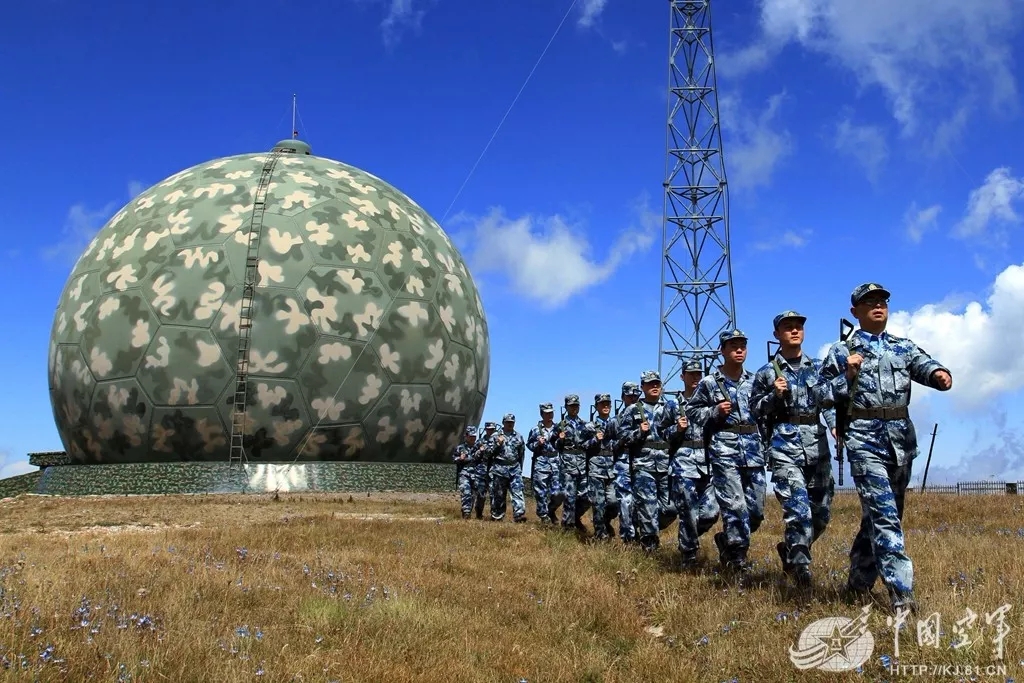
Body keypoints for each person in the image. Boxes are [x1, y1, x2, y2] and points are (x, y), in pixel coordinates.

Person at [815, 283, 952, 613]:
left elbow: (924, 364)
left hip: (901, 442)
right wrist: (846, 375)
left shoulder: (902, 347)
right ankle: (903, 597)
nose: (877, 306)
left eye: (882, 302)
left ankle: (859, 582)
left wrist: (939, 374)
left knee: (879, 517)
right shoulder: (841, 351)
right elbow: (818, 395)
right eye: (869, 303)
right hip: (864, 440)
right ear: (855, 312)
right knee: (885, 516)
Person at [751, 311, 836, 586]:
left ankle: (790, 550)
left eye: (798, 326)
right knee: (798, 511)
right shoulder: (766, 373)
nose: (794, 331)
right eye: (788, 327)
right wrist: (773, 396)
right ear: (777, 334)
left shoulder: (819, 367)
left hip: (817, 445)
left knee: (820, 514)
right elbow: (755, 410)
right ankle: (801, 570)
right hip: (784, 447)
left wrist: (836, 426)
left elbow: (829, 401)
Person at [686, 330, 765, 572]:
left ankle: (726, 542)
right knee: (735, 506)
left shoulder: (755, 380)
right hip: (724, 451)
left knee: (756, 512)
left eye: (742, 345)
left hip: (753, 449)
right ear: (722, 350)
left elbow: (765, 413)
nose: (739, 349)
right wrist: (715, 412)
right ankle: (737, 560)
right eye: (733, 345)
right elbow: (692, 411)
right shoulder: (710, 382)